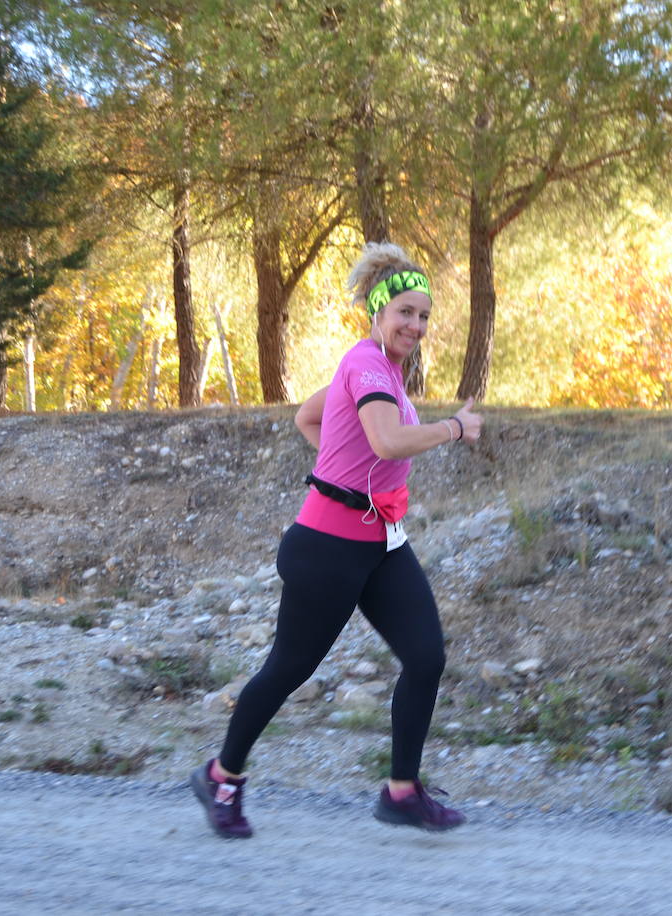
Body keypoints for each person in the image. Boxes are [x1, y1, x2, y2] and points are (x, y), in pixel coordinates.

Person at [190, 241, 481, 836]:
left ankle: (401, 791)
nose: (416, 325)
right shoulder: (367, 364)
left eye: (424, 316)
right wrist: (454, 427)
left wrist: (343, 477)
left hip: (380, 544)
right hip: (326, 548)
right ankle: (222, 776)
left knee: (425, 657)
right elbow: (387, 443)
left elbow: (308, 417)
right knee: (289, 669)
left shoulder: (383, 371)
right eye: (406, 312)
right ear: (378, 312)